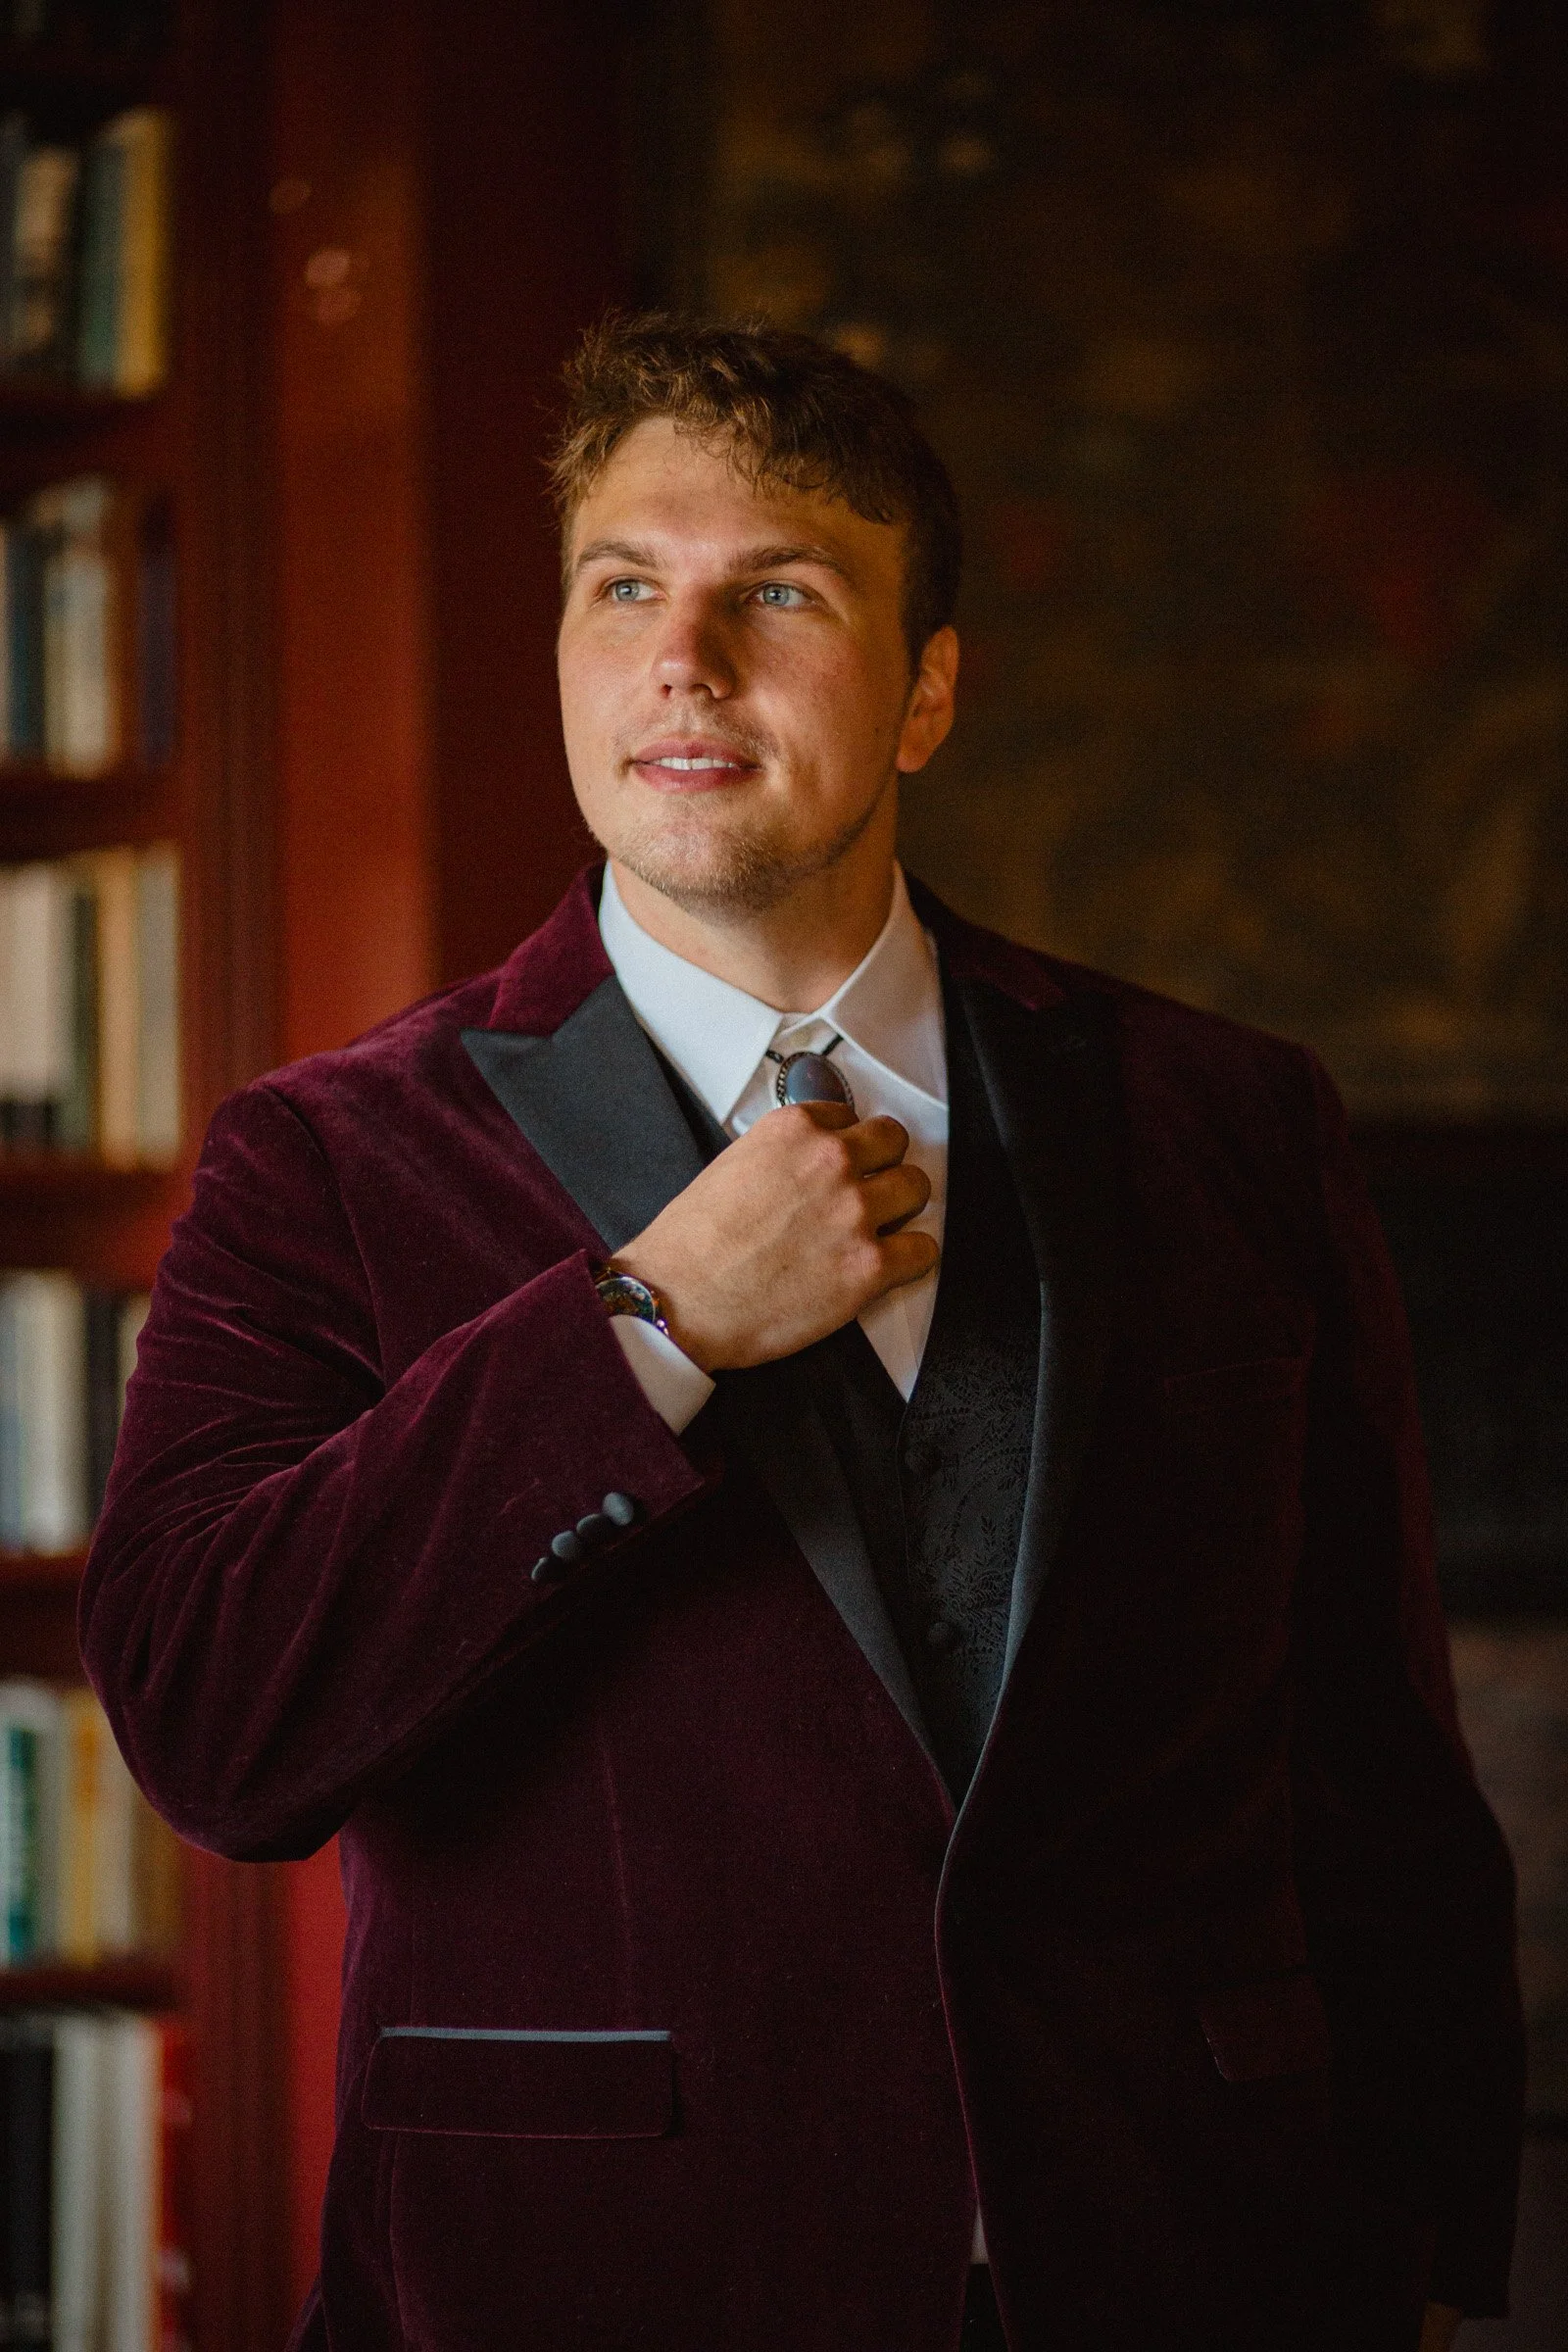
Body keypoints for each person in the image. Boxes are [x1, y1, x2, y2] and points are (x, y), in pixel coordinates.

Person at [82, 315, 1522, 2352]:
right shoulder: (321, 1161)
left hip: (1198, 2265)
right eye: (623, 589)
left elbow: (1370, 1758)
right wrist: (641, 1328)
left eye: (778, 590)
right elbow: (216, 1723)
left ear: (925, 689)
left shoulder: (1227, 1121)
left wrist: (1425, 2259)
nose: (687, 656)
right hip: (585, 2282)